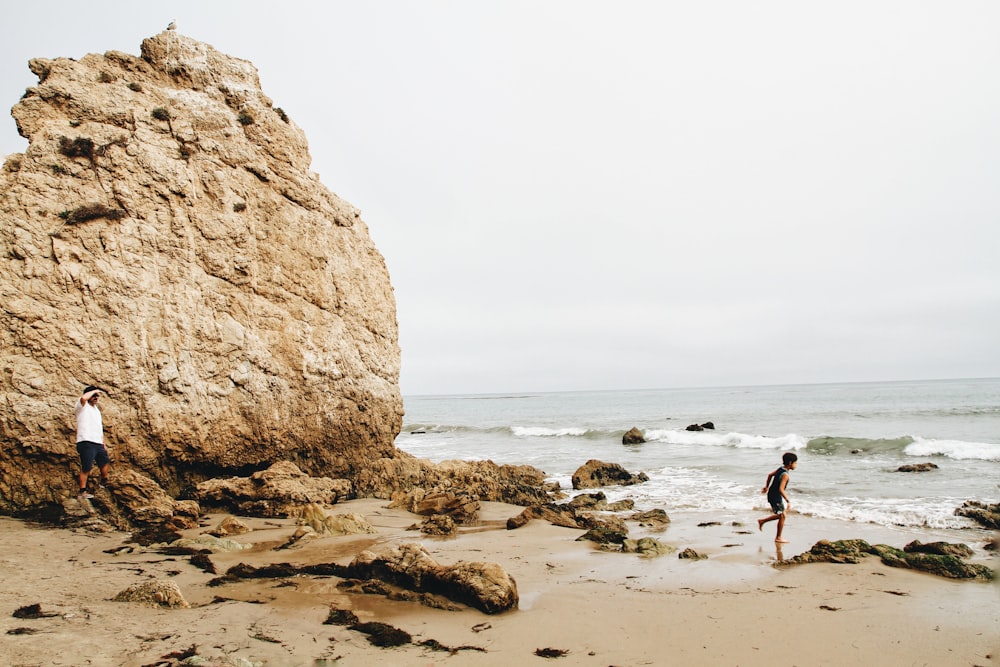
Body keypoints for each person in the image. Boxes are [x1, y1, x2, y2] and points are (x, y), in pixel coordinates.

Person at [75, 385, 109, 499]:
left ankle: (104, 482)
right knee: (87, 466)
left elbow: (98, 427)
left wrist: (102, 442)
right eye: (93, 395)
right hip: (86, 441)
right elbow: (83, 398)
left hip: (97, 442)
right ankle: (82, 491)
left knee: (104, 461)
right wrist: (94, 390)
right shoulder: (81, 406)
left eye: (97, 396)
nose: (96, 397)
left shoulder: (96, 410)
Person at [757, 452, 798, 543]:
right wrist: (788, 501)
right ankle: (778, 537)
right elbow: (781, 489)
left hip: (772, 494)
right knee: (783, 515)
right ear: (790, 463)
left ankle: (762, 521)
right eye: (795, 463)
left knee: (782, 515)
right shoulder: (785, 475)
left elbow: (770, 475)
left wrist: (766, 487)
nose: (796, 465)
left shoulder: (781, 469)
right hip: (775, 496)